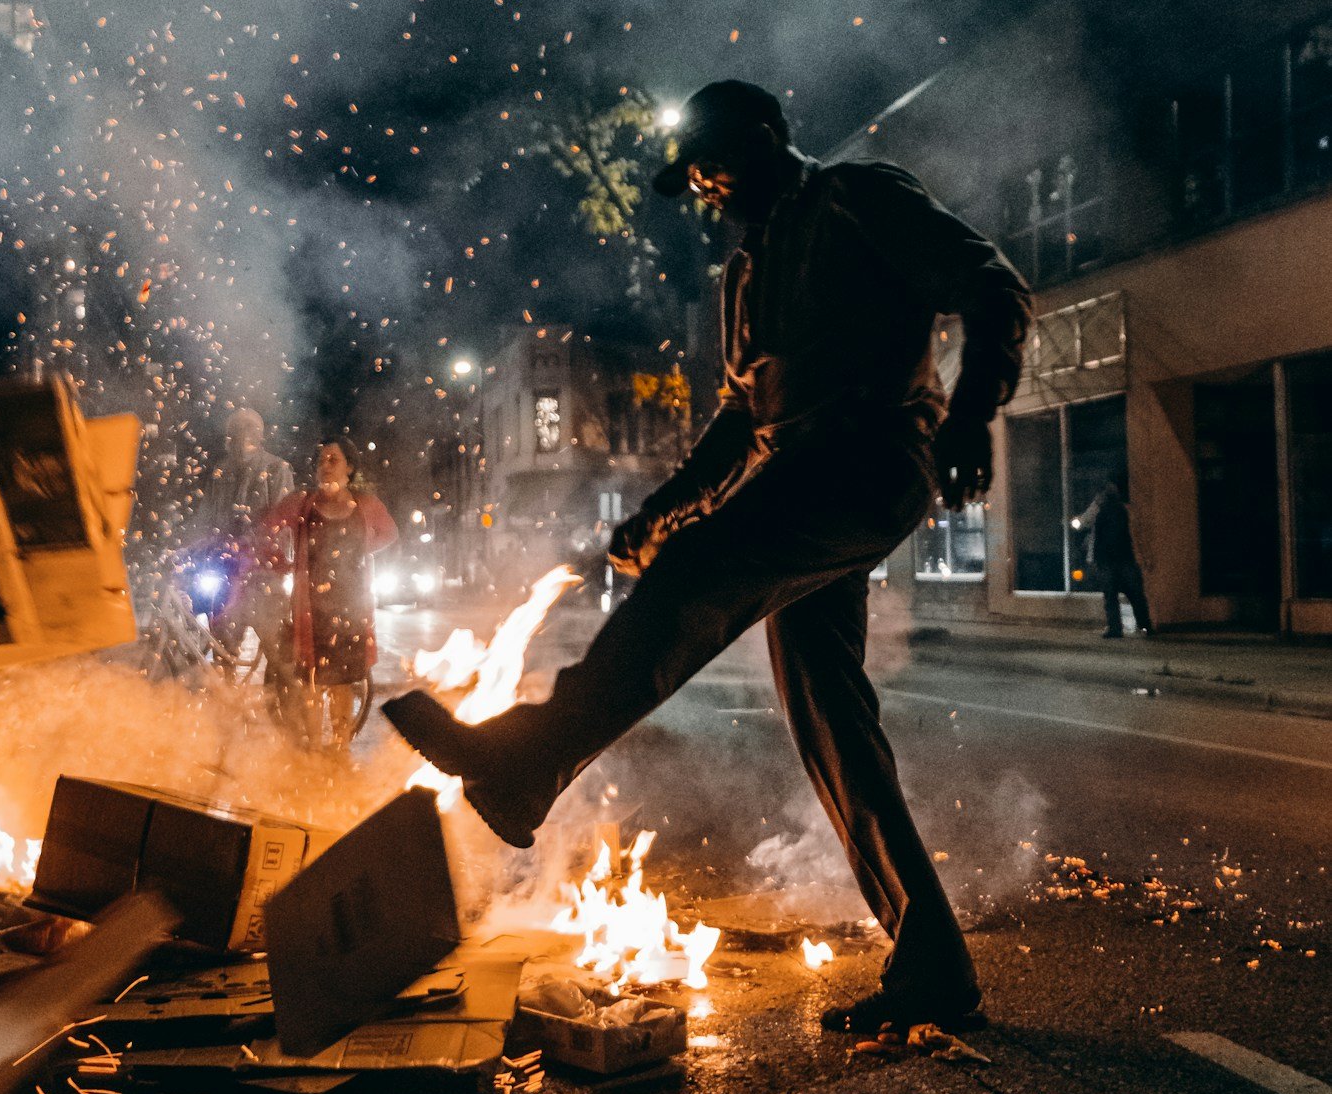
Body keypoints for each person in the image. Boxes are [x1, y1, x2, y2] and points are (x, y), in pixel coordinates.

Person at [385, 79, 1032, 1040]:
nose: (703, 186)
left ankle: (528, 762)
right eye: (693, 176)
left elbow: (994, 288)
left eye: (714, 163)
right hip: (795, 479)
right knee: (833, 729)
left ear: (768, 137)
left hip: (868, 461)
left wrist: (972, 417)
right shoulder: (742, 278)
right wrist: (658, 514)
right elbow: (739, 423)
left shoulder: (855, 198)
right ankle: (934, 966)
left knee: (696, 577)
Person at [259, 441, 398, 743]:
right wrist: (281, 562)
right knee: (312, 683)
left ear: (350, 466)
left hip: (352, 609)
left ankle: (339, 748)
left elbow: (390, 532)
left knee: (342, 684)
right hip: (312, 610)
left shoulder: (365, 504)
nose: (325, 465)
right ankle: (315, 750)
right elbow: (268, 528)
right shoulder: (302, 503)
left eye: (333, 459)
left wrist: (361, 550)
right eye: (321, 460)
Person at [197, 408, 296, 667]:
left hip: (265, 574)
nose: (243, 436)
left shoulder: (276, 468)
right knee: (223, 650)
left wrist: (252, 544)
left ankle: (284, 692)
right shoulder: (221, 471)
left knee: (278, 652)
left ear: (260, 435)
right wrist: (195, 549)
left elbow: (283, 519)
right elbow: (206, 517)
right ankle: (224, 691)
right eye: (237, 431)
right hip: (227, 573)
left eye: (249, 430)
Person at [1073, 477, 1152, 638]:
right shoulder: (1125, 508)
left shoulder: (1099, 508)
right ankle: (1145, 625)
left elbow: (1084, 523)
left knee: (1111, 595)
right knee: (1134, 593)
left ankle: (1116, 628)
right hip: (1124, 557)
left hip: (1107, 559)